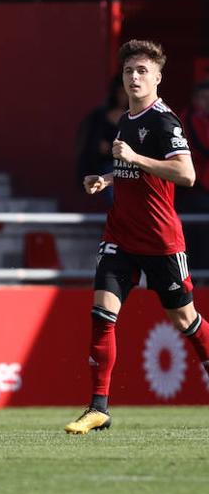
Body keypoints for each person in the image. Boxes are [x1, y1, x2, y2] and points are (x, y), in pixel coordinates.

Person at [66, 39, 209, 435]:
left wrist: (133, 158)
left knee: (185, 319)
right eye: (129, 71)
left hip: (160, 240)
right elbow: (135, 171)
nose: (134, 77)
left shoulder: (165, 122)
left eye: (143, 71)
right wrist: (107, 178)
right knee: (101, 315)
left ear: (158, 78)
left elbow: (187, 174)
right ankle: (98, 408)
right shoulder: (126, 120)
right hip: (120, 234)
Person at [76, 80, 128, 192]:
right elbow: (90, 141)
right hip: (104, 164)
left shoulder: (137, 117)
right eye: (120, 93)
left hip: (129, 165)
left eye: (125, 93)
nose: (123, 97)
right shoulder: (100, 116)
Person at [179, 81, 209, 269]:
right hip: (194, 190)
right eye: (204, 98)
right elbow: (202, 147)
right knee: (196, 237)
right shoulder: (187, 119)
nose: (207, 102)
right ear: (195, 99)